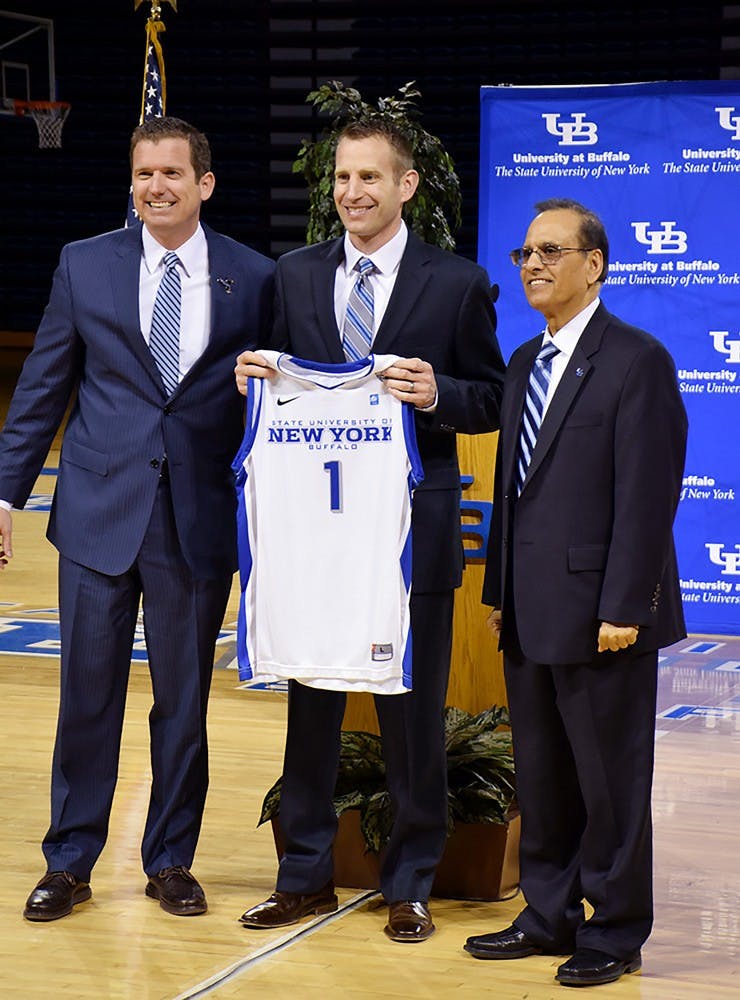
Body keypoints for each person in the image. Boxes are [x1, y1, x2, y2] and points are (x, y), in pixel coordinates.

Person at [234, 120, 505, 942]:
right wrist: (253, 375)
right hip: (314, 533)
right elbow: (277, 384)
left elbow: (491, 395)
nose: (353, 192)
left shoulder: (458, 284)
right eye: (343, 178)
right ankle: (303, 875)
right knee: (311, 704)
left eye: (370, 178)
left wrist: (436, 394)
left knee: (410, 712)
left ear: (406, 186)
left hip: (407, 535)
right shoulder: (295, 275)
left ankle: (410, 882)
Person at [0, 116, 275, 921]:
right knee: (87, 695)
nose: (156, 186)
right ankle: (70, 861)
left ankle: (170, 861)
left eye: (172, 174)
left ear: (204, 184)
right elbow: (44, 387)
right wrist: (7, 494)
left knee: (183, 703)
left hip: (194, 518)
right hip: (94, 514)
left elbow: (276, 393)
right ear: (133, 181)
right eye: (144, 173)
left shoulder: (254, 278)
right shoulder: (83, 265)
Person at [465, 198, 687, 986]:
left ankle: (616, 928)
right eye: (526, 252)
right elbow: (515, 490)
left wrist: (627, 605)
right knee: (544, 773)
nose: (532, 265)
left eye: (551, 252)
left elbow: (649, 495)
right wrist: (499, 592)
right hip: (528, 610)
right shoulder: (525, 360)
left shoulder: (638, 360)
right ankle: (547, 913)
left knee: (610, 780)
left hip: (603, 616)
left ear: (593, 264)